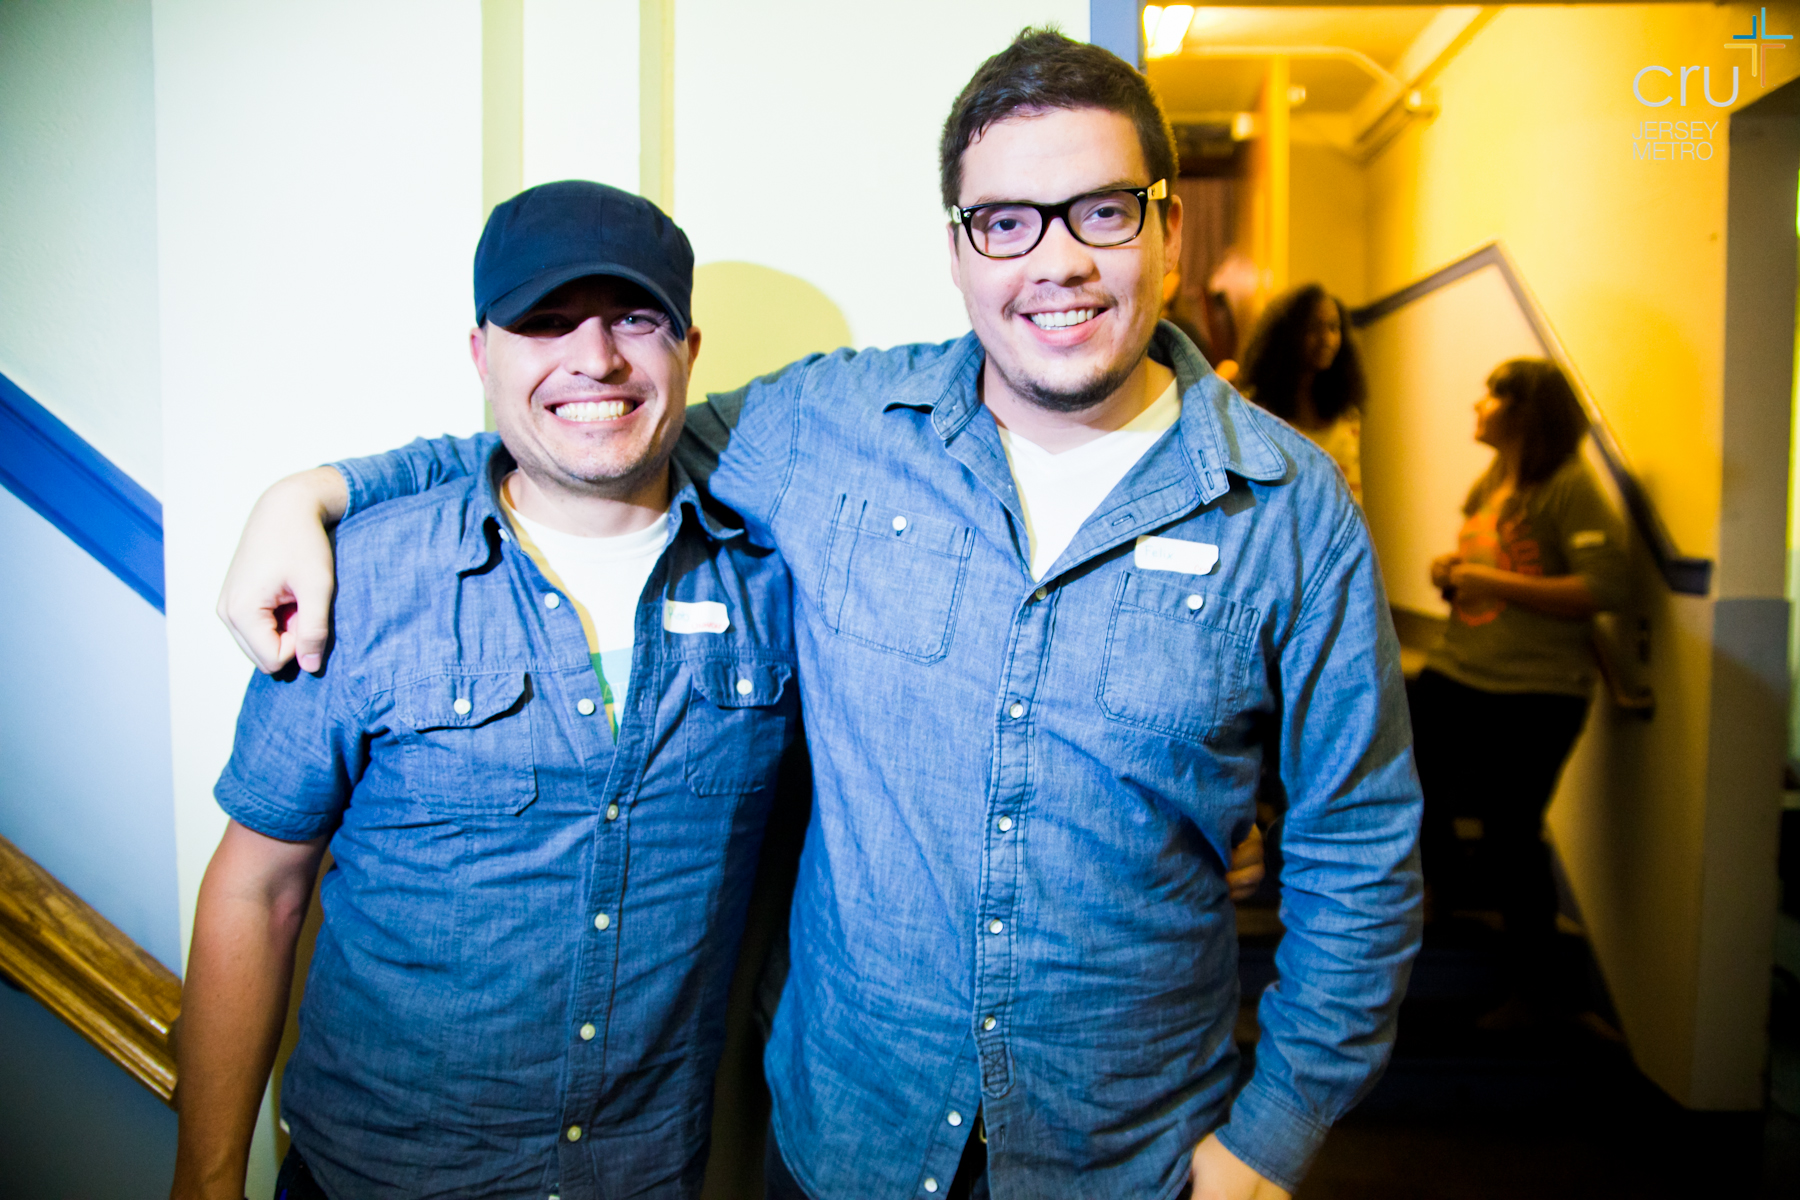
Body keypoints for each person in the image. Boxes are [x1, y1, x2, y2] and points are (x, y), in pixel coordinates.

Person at [220, 31, 1418, 1200]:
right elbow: (582, 434)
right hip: (847, 1145)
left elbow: (1361, 850)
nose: (1055, 261)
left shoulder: (1292, 508)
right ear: (959, 249)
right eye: (1006, 221)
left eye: (1101, 211)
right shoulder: (831, 429)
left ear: (1169, 227)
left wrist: (1273, 1138)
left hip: (1124, 1157)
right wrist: (318, 491)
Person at [170, 182, 805, 1200]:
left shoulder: (776, 586)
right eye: (546, 320)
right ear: (481, 354)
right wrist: (204, 1180)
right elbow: (259, 888)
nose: (594, 359)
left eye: (633, 319)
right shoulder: (360, 577)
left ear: (688, 349)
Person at [1411, 358, 1628, 1027]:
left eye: (1491, 396)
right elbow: (1488, 566)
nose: (1477, 406)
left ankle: (1536, 991)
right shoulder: (1492, 483)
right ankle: (1443, 888)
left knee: (1510, 830)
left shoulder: (1569, 486)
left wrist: (1493, 583)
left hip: (1538, 688)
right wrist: (1451, 570)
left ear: (1524, 411)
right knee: (1402, 772)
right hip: (1461, 666)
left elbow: (1604, 587)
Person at [1236, 284, 1366, 504]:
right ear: (1288, 335)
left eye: (1333, 328)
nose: (1326, 339)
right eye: (1314, 328)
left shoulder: (1347, 416)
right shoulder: (1257, 411)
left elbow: (1354, 495)